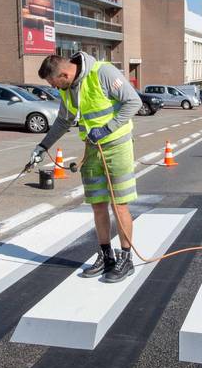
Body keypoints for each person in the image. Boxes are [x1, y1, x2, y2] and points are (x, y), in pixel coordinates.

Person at [34, 52, 142, 283]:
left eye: (54, 82)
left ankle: (126, 259)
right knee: (98, 206)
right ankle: (106, 257)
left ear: (64, 73)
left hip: (116, 147)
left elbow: (134, 101)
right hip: (91, 150)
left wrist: (107, 128)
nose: (54, 87)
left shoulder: (103, 72)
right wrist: (42, 146)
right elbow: (63, 121)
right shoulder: (68, 88)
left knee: (119, 205)